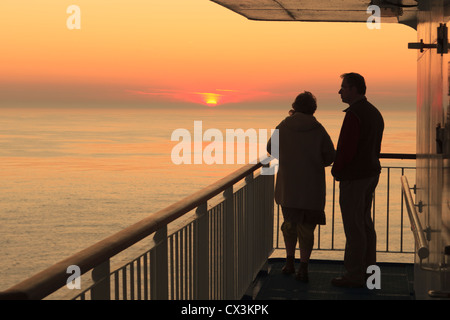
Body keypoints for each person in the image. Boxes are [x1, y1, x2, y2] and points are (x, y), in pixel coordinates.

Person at [267, 91, 335, 282]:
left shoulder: (284, 126)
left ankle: (289, 262)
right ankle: (303, 267)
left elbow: (271, 147)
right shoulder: (318, 128)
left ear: (295, 106)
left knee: (289, 225)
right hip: (311, 188)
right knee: (306, 229)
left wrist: (288, 158)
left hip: (288, 185)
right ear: (313, 108)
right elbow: (330, 155)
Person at [331, 73, 384, 288]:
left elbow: (346, 148)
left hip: (355, 176)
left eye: (343, 87)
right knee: (365, 223)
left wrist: (337, 170)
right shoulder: (374, 113)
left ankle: (354, 274)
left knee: (354, 227)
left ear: (354, 89)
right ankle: (370, 271)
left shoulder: (355, 114)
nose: (340, 91)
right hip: (371, 173)